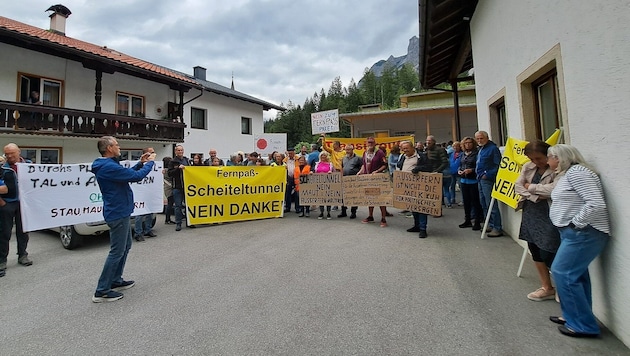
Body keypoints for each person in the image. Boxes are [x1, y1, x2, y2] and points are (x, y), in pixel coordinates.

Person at [547, 144, 610, 338]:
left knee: (562, 272)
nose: (548, 161)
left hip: (583, 233)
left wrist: (576, 223)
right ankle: (573, 317)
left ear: (560, 157)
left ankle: (583, 325)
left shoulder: (577, 173)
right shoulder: (570, 173)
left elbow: (595, 203)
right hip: (575, 233)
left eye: (550, 157)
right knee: (577, 276)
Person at [91, 136, 156, 302]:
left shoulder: (109, 165)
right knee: (117, 251)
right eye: (117, 145)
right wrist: (149, 164)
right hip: (117, 212)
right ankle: (102, 290)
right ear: (109, 148)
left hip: (121, 210)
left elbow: (128, 174)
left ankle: (115, 279)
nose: (119, 147)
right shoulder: (107, 166)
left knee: (125, 246)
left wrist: (141, 163)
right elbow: (135, 177)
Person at [515, 140, 559, 302]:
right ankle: (546, 287)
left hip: (549, 213)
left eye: (539, 158)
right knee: (534, 248)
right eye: (532, 159)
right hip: (531, 211)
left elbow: (554, 190)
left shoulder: (556, 168)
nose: (536, 162)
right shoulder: (528, 167)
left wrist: (531, 188)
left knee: (550, 249)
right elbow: (518, 186)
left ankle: (560, 288)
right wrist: (535, 196)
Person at [0, 143, 33, 277]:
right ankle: (2, 260)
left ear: (19, 152)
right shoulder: (2, 167)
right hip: (7, 203)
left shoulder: (29, 165)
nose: (9, 156)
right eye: (7, 154)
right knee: (4, 233)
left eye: (12, 153)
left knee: (23, 230)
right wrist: (1, 203)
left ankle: (22, 255)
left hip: (24, 204)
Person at [397, 141, 432, 238]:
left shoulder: (421, 156)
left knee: (421, 207)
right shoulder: (403, 156)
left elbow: (429, 167)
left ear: (413, 148)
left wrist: (418, 168)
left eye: (407, 148)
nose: (405, 150)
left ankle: (423, 229)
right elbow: (400, 165)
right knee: (413, 207)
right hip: (407, 186)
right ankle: (416, 225)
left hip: (419, 186)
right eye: (403, 149)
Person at [475, 130, 503, 237]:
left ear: (487, 138)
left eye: (481, 138)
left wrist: (487, 174)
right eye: (477, 139)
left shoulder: (493, 149)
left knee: (491, 204)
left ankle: (497, 227)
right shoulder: (481, 149)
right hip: (480, 179)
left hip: (488, 180)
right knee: (484, 203)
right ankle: (490, 224)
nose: (479, 140)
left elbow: (498, 165)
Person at [358, 137, 389, 227]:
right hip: (368, 179)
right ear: (366, 143)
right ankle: (370, 216)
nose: (370, 144)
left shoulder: (380, 153)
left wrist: (377, 171)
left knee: (381, 199)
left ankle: (383, 218)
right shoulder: (365, 153)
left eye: (372, 142)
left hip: (378, 179)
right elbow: (364, 165)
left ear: (375, 143)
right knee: (370, 197)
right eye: (369, 142)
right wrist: (360, 172)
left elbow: (385, 165)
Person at [457, 137, 483, 231]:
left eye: (470, 143)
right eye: (466, 143)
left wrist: (471, 170)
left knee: (475, 202)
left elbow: (479, 166)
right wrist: (459, 170)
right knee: (466, 202)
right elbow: (460, 165)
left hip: (473, 180)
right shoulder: (463, 154)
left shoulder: (477, 153)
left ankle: (477, 221)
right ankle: (467, 220)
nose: (468, 144)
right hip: (464, 180)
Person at [133, 147, 158, 242]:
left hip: (150, 191)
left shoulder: (156, 164)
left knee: (150, 211)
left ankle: (148, 229)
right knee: (139, 213)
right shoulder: (139, 164)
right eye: (151, 152)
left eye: (153, 152)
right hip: (140, 192)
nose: (153, 154)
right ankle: (138, 233)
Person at [424, 135, 450, 211]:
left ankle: (438, 209)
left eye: (429, 141)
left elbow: (444, 162)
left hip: (437, 173)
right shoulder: (427, 150)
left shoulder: (440, 150)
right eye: (427, 141)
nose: (427, 143)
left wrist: (437, 170)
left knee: (438, 192)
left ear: (433, 142)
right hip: (429, 173)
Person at [168, 145, 190, 231]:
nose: (180, 152)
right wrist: (178, 169)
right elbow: (169, 173)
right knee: (178, 206)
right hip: (177, 187)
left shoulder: (186, 160)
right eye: (178, 150)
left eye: (181, 150)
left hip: (187, 187)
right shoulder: (172, 162)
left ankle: (189, 222)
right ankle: (178, 223)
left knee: (188, 205)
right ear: (175, 152)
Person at [339, 144, 362, 219]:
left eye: (349, 150)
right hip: (345, 179)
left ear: (352, 150)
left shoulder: (358, 158)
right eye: (346, 150)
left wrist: (359, 173)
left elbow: (362, 166)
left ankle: (353, 212)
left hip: (354, 180)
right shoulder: (344, 158)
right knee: (343, 195)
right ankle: (343, 211)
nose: (347, 151)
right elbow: (342, 167)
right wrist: (341, 175)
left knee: (354, 196)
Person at [314, 151, 334, 219]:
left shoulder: (330, 164)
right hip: (319, 183)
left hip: (328, 183)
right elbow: (315, 172)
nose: (323, 157)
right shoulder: (317, 164)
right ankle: (321, 212)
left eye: (324, 156)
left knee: (328, 198)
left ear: (327, 157)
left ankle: (328, 212)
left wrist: (331, 172)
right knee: (321, 198)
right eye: (322, 156)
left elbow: (334, 173)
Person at [283, 148, 298, 213]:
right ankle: (288, 207)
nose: (290, 154)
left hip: (296, 177)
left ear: (294, 153)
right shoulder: (285, 160)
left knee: (297, 193)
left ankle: (298, 207)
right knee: (287, 193)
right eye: (289, 153)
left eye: (291, 153)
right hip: (288, 177)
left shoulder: (298, 159)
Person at [448, 141, 462, 206]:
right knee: (452, 186)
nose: (455, 147)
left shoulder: (462, 154)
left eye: (457, 146)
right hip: (452, 172)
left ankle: (463, 200)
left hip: (459, 172)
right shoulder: (451, 154)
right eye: (454, 146)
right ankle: (452, 198)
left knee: (461, 186)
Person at [162, 156, 174, 224]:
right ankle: (167, 219)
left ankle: (168, 218)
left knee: (170, 203)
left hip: (166, 187)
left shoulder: (163, 170)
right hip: (169, 187)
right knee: (170, 203)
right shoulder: (167, 171)